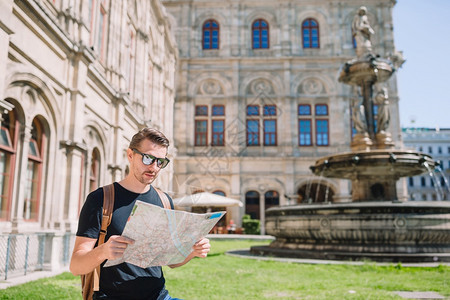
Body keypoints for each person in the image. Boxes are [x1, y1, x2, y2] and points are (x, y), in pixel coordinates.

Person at [70, 127, 211, 300]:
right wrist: (103, 251)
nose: (154, 167)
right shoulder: (100, 199)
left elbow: (171, 262)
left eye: (160, 162)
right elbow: (76, 266)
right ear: (130, 155)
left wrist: (192, 252)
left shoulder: (165, 201)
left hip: (159, 296)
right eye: (148, 158)